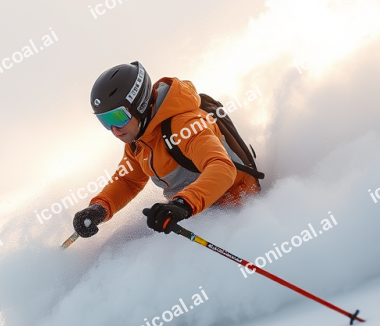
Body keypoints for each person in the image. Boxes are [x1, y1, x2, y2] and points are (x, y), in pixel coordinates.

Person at [72, 62, 259, 238]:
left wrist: (182, 204)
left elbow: (223, 168)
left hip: (239, 210)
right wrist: (100, 208)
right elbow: (128, 181)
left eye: (118, 117)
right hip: (198, 211)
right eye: (105, 120)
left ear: (140, 104)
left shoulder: (184, 126)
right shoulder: (139, 141)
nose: (114, 130)